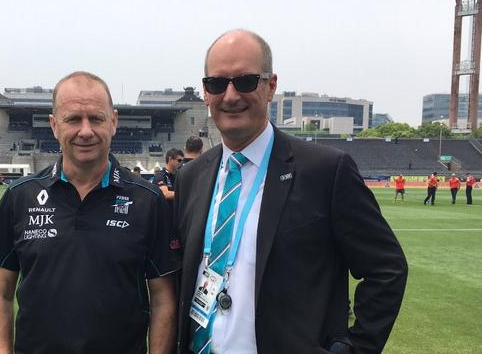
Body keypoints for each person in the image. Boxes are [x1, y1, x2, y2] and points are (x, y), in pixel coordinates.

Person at [173, 29, 407, 354]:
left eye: (245, 81)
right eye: (217, 83)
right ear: (205, 92)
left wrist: (356, 348)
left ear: (271, 86)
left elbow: (386, 269)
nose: (230, 96)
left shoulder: (326, 171)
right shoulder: (191, 177)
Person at [0, 71, 178, 354]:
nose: (85, 131)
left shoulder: (147, 200)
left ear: (113, 122)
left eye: (96, 118)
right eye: (73, 119)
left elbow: (163, 298)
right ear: (54, 125)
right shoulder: (19, 196)